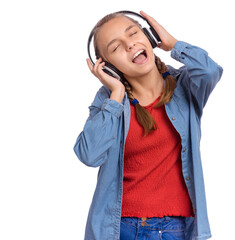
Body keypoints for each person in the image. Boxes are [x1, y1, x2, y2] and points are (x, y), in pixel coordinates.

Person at [73, 10, 223, 240]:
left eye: (133, 34)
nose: (129, 45)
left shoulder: (185, 87)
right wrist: (116, 94)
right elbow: (89, 154)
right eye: (115, 48)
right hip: (121, 229)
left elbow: (210, 70)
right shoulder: (108, 101)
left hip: (175, 229)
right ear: (108, 67)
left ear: (149, 37)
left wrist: (173, 44)